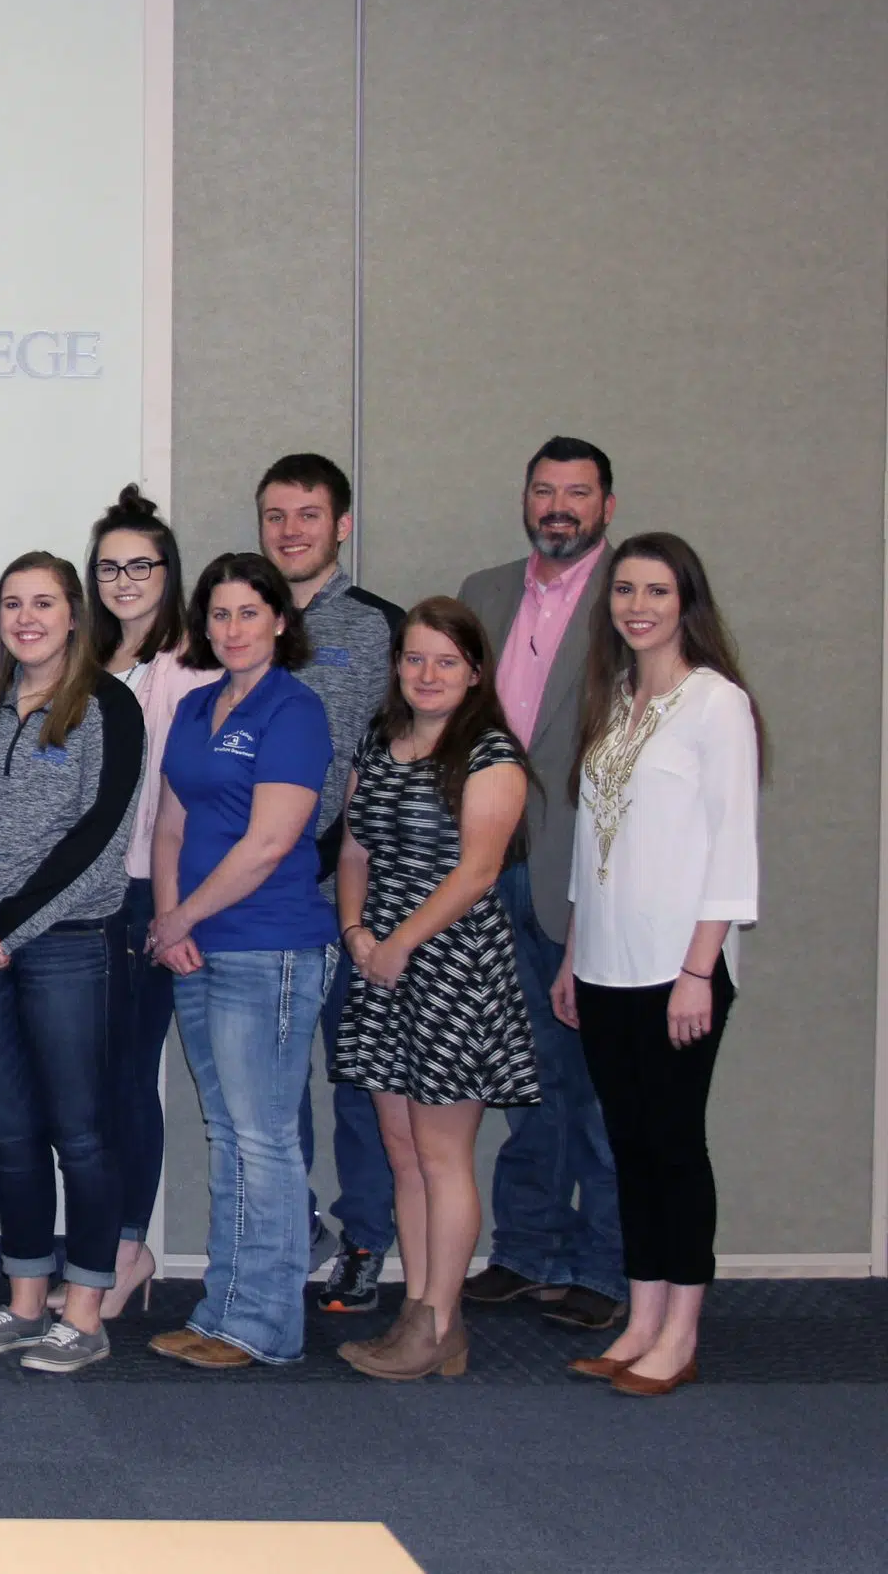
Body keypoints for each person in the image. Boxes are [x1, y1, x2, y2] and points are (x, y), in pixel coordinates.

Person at [558, 534, 760, 1397]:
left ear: (687, 603)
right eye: (625, 591)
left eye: (657, 591)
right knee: (629, 1146)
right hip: (604, 966)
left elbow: (733, 845)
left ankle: (681, 1332)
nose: (637, 606)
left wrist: (697, 970)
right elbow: (587, 842)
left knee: (675, 1147)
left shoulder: (717, 703)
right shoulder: (612, 698)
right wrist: (574, 954)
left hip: (680, 970)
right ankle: (641, 1319)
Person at [0, 553, 143, 1374]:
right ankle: (25, 1301)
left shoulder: (108, 705)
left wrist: (12, 920)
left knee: (80, 1132)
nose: (26, 617)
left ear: (74, 615)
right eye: (13, 603)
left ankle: (84, 1310)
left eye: (44, 603)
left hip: (66, 943)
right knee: (10, 1131)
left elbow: (99, 830)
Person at [331, 599, 538, 1380]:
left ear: (475, 672)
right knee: (403, 1148)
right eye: (414, 658)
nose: (427, 674)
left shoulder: (491, 754)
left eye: (446, 661)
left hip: (454, 966)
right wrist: (356, 931)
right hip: (382, 959)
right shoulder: (379, 739)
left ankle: (440, 1319)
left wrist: (399, 943)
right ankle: (419, 1309)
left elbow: (477, 871)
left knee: (444, 1153)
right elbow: (354, 849)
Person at [144, 552, 337, 1370]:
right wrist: (169, 921)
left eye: (249, 613)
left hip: (270, 944)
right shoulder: (195, 706)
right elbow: (169, 826)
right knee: (227, 1133)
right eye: (219, 615)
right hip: (195, 946)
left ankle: (264, 1324)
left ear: (280, 622)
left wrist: (182, 916)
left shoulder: (296, 710)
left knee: (263, 1140)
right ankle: (222, 1311)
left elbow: (268, 843)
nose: (232, 629)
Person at [457, 437, 628, 1332]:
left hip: (586, 871)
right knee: (525, 1073)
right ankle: (528, 1250)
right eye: (544, 490)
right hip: (493, 865)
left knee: (601, 1083)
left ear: (607, 506)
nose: (558, 506)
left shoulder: (633, 598)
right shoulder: (484, 592)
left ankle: (604, 1264)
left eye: (577, 492)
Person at [256, 453, 404, 1309]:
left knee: (357, 1077)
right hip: (260, 894)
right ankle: (293, 1226)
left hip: (351, 893)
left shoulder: (379, 627)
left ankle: (366, 1238)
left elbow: (400, 757)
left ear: (341, 524)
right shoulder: (239, 619)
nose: (290, 531)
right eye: (275, 515)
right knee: (273, 1084)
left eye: (308, 514)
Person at [86, 486, 217, 1314]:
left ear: (170, 572)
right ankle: (100, 1246)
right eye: (109, 567)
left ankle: (129, 1248)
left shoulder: (192, 664)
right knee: (94, 1082)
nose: (125, 581)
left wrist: (174, 908)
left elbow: (190, 795)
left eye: (141, 565)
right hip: (84, 897)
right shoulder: (87, 659)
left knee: (128, 1078)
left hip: (146, 891)